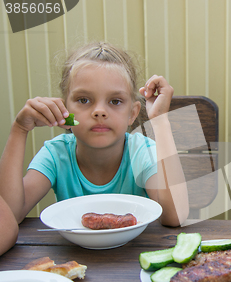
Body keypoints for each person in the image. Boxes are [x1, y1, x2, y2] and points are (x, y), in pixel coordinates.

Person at [0, 42, 189, 227]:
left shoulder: (142, 152)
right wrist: (19, 129)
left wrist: (160, 121)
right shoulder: (56, 154)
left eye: (115, 101)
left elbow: (175, 216)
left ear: (132, 114)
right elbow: (11, 215)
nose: (99, 111)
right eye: (84, 100)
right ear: (64, 109)